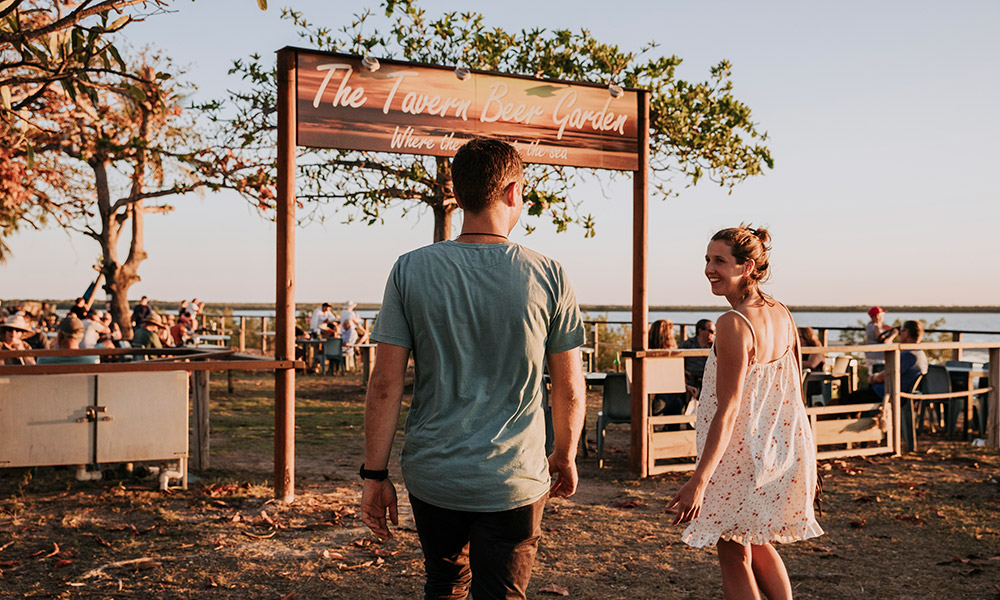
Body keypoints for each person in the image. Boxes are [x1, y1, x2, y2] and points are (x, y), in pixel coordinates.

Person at [360, 138, 586, 600]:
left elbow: (385, 384)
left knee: (444, 584)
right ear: (512, 191)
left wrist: (375, 476)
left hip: (434, 473)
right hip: (515, 475)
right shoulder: (549, 274)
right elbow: (569, 387)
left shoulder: (409, 269)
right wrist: (565, 453)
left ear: (458, 196)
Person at [668, 225, 822, 599]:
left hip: (737, 455)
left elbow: (728, 408)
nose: (709, 269)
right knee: (755, 541)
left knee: (731, 551)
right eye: (707, 259)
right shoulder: (781, 313)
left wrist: (699, 480)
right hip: (776, 448)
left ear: (748, 266)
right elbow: (796, 393)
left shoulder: (732, 323)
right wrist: (807, 457)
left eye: (719, 260)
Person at [845, 320, 927, 403]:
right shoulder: (920, 354)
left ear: (906, 333)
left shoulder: (908, 355)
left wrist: (874, 378)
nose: (900, 334)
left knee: (848, 399)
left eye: (901, 330)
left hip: (888, 394)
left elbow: (886, 376)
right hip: (900, 393)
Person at [679, 319, 716, 397]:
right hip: (691, 379)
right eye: (711, 331)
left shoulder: (715, 347)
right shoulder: (687, 345)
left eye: (714, 332)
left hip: (709, 380)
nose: (713, 334)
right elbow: (677, 365)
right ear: (700, 331)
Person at [864, 306, 897, 374]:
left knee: (872, 375)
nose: (883, 317)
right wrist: (893, 334)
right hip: (878, 359)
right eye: (882, 315)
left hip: (871, 356)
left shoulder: (869, 326)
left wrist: (886, 329)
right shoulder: (876, 327)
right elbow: (883, 341)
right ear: (877, 316)